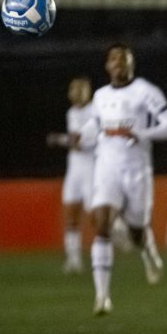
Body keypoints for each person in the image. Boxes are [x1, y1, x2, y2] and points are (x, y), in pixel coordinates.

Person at [79, 43, 167, 315]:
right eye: (114, 59)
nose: (119, 63)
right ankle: (102, 297)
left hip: (137, 170)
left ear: (131, 64)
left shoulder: (145, 92)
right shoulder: (100, 96)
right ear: (107, 65)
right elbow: (95, 124)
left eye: (124, 59)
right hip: (107, 167)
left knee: (137, 231)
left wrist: (142, 134)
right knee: (101, 223)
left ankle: (147, 251)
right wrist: (84, 134)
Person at [46, 76, 96, 275]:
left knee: (95, 214)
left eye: (80, 89)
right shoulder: (72, 112)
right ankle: (73, 258)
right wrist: (70, 141)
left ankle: (114, 235)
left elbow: (77, 143)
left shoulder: (94, 112)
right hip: (74, 170)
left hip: (91, 167)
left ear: (88, 93)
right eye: (73, 89)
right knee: (71, 214)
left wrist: (59, 139)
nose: (76, 93)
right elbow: (75, 142)